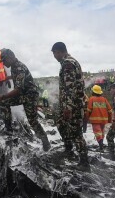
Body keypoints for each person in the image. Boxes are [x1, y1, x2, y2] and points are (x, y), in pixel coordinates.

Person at [0, 49, 51, 151]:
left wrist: (2, 96)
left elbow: (18, 90)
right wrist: (8, 78)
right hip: (23, 94)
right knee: (3, 104)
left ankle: (45, 142)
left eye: (4, 60)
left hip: (30, 96)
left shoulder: (19, 67)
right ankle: (9, 130)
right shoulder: (14, 66)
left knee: (32, 120)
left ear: (10, 57)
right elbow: (17, 78)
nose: (4, 63)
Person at [51, 42, 90, 171]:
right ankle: (69, 150)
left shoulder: (68, 64)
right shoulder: (68, 62)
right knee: (60, 124)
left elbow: (70, 88)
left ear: (60, 51)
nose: (54, 56)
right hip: (69, 103)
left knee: (76, 133)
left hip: (73, 105)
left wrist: (68, 107)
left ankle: (84, 163)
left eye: (55, 53)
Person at [86, 85, 112, 152]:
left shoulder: (91, 99)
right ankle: (101, 145)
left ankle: (101, 147)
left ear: (93, 92)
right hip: (104, 119)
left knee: (97, 133)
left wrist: (86, 119)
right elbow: (110, 110)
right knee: (101, 132)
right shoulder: (104, 99)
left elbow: (88, 110)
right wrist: (109, 119)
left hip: (95, 120)